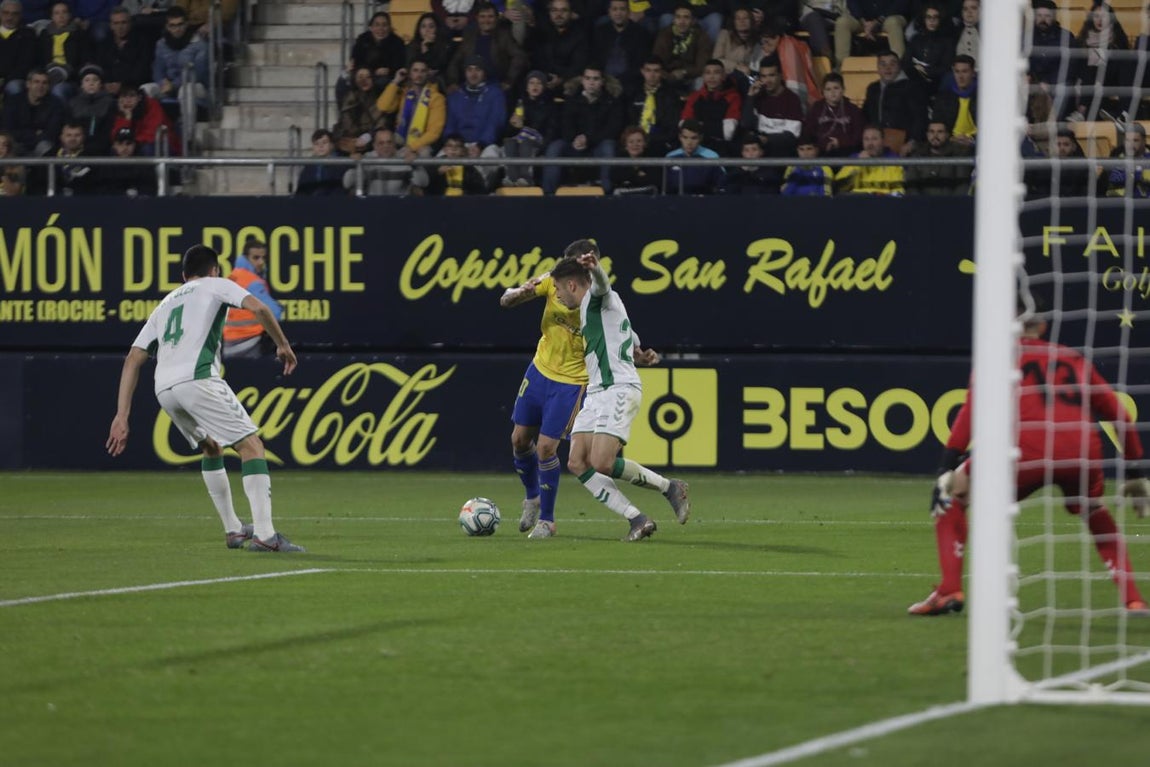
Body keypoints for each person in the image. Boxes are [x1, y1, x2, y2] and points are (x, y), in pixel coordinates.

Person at [909, 299, 1148, 616]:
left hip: (1024, 449)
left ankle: (950, 589)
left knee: (953, 494)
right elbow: (1119, 414)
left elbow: (971, 413)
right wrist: (1134, 470)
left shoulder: (999, 359)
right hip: (1081, 451)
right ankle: (1133, 598)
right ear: (1042, 326)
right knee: (1094, 512)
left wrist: (946, 465)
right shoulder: (1072, 358)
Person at [105, 244, 305, 553]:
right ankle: (265, 536)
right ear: (214, 270)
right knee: (251, 446)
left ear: (185, 276)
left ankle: (234, 530)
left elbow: (133, 357)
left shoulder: (167, 302)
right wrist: (282, 345)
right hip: (196, 379)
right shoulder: (217, 284)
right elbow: (261, 309)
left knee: (211, 446)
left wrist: (121, 416)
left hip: (165, 388)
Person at [549, 241, 691, 542]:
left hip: (618, 389)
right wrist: (640, 354)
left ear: (575, 280)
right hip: (597, 392)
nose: (558, 295)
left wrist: (597, 269)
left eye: (560, 288)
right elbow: (627, 337)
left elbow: (601, 285)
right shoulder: (599, 308)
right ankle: (636, 518)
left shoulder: (600, 296)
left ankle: (670, 488)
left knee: (602, 461)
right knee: (577, 461)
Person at [498, 256, 590, 539]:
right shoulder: (551, 280)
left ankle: (547, 521)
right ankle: (532, 498)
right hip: (539, 371)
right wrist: (520, 293)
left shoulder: (598, 301)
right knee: (519, 440)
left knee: (547, 448)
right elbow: (506, 300)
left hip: (571, 382)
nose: (558, 294)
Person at [223, 240, 282, 359]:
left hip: (228, 345)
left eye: (263, 258)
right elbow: (274, 313)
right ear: (246, 258)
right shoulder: (252, 282)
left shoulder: (231, 277)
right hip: (249, 344)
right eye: (256, 258)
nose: (261, 262)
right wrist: (280, 307)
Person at [377, 57, 446, 160]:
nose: (419, 74)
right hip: (400, 137)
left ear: (428, 73)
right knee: (383, 145)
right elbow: (383, 106)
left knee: (424, 154)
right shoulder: (404, 92)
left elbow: (434, 132)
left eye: (423, 71)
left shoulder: (436, 98)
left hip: (422, 142)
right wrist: (396, 81)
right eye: (415, 70)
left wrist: (411, 147)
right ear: (409, 73)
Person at [802, 71, 864, 157]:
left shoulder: (853, 110)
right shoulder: (816, 108)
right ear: (823, 92)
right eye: (828, 89)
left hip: (847, 152)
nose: (832, 92)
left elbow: (858, 136)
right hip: (821, 152)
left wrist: (840, 142)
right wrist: (823, 143)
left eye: (836, 88)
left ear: (843, 89)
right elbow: (808, 133)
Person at [903, 119, 971, 195]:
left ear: (947, 135)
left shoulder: (958, 155)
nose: (935, 136)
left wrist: (953, 204)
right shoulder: (918, 155)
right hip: (922, 204)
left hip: (950, 204)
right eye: (931, 132)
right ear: (927, 135)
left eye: (940, 132)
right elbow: (911, 185)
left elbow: (962, 186)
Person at [834, 123, 903, 194]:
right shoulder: (854, 159)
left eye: (874, 139)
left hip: (882, 202)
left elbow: (898, 193)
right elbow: (839, 188)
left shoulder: (893, 161)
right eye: (866, 139)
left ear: (883, 141)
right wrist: (857, 165)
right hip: (857, 201)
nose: (870, 143)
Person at [665, 118, 724, 194]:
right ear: (680, 137)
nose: (689, 142)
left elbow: (721, 184)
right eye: (685, 137)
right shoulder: (670, 157)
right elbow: (666, 187)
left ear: (700, 138)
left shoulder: (712, 156)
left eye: (694, 138)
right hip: (676, 203)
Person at [0, 0, 40, 98]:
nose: (9, 17)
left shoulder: (28, 34)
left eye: (15, 14)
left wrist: (3, 82)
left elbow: (25, 64)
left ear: (21, 15)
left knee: (15, 87)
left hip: (15, 79)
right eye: (6, 13)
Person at [294, 128, 345, 196]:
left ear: (331, 145)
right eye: (316, 143)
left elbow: (339, 191)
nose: (320, 146)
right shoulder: (308, 167)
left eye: (324, 142)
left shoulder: (341, 164)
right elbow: (301, 192)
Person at [1105, 123, 1149, 198]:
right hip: (1120, 204)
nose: (1130, 144)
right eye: (1127, 140)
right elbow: (1110, 182)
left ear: (1144, 141)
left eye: (1135, 140)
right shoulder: (1117, 157)